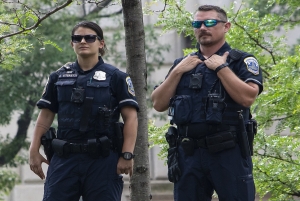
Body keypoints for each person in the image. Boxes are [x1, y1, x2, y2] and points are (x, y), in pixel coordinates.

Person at [151, 5, 263, 201]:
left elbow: (248, 97)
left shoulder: (240, 61)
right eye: (197, 23)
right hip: (189, 154)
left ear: (226, 26)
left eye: (210, 22)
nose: (203, 27)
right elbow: (158, 103)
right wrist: (178, 71)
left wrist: (221, 67)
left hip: (228, 153)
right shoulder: (183, 64)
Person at [29, 21, 139, 201]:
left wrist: (127, 154)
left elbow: (131, 118)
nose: (83, 41)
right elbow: (45, 116)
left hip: (102, 160)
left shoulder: (117, 77)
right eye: (77, 38)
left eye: (89, 37)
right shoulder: (58, 77)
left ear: (101, 43)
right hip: (64, 159)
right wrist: (33, 149)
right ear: (71, 43)